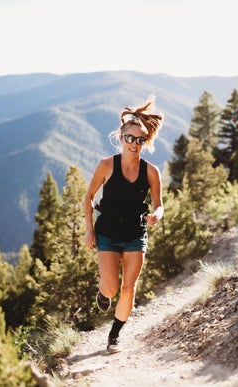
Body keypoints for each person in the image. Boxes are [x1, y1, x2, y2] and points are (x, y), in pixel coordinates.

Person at [84, 98, 164, 354]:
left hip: (135, 234)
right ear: (121, 137)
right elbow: (88, 197)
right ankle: (104, 294)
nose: (134, 144)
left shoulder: (151, 171)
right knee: (111, 287)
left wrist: (156, 215)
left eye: (140, 140)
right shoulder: (106, 165)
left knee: (129, 287)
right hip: (107, 232)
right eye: (130, 138)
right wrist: (89, 229)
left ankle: (114, 336)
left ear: (146, 142)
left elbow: (159, 204)